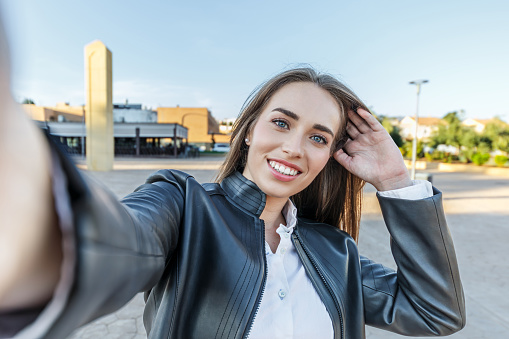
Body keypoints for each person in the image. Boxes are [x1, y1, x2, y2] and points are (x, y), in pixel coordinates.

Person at [0, 16, 465, 339]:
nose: (294, 148)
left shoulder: (334, 251)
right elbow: (119, 245)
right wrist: (35, 225)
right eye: (281, 123)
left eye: (319, 138)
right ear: (248, 132)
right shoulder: (183, 206)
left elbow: (434, 312)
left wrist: (396, 180)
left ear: (330, 157)